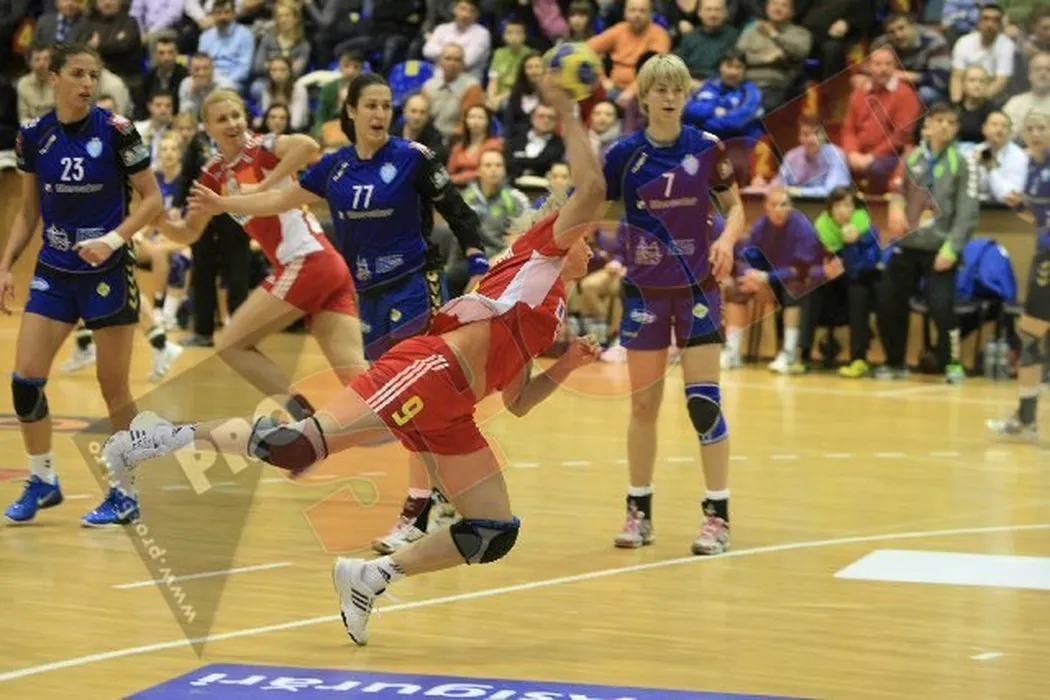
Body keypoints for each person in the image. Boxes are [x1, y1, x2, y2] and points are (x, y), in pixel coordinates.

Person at [99, 71, 604, 646]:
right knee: (297, 448)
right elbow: (589, 189)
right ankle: (155, 438)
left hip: (454, 411)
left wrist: (567, 364)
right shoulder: (538, 252)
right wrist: (569, 110)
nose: (591, 246)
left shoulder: (550, 310)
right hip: (427, 370)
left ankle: (371, 576)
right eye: (586, 236)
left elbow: (517, 401)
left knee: (493, 530)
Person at [188, 73, 491, 555]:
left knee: (415, 397)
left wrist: (477, 259)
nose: (380, 114)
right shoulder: (335, 167)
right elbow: (279, 198)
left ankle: (420, 510)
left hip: (416, 284)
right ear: (350, 111)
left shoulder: (412, 157)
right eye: (370, 105)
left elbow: (457, 210)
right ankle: (446, 491)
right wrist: (225, 202)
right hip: (367, 293)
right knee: (398, 401)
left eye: (386, 105)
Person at [0, 43, 164, 526]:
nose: (88, 84)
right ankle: (43, 479)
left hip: (106, 274)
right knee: (25, 382)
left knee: (113, 388)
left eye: (93, 75)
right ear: (54, 78)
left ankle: (125, 493)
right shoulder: (34, 135)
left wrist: (113, 241)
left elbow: (152, 200)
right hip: (54, 272)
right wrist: (6, 264)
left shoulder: (117, 130)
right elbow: (28, 211)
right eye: (77, 74)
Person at [601, 53, 744, 555]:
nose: (668, 97)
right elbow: (594, 206)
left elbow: (736, 206)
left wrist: (726, 241)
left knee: (704, 403)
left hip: (697, 288)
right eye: (659, 89)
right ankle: (638, 512)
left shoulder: (705, 147)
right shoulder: (623, 154)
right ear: (643, 97)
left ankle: (717, 516)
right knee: (643, 406)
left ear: (685, 96)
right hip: (645, 291)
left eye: (676, 89)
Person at [159, 89, 368, 420]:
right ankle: (419, 428)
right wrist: (155, 216)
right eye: (222, 119)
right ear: (207, 128)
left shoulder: (261, 147)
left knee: (230, 344)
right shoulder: (213, 175)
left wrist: (263, 186)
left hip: (308, 261)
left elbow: (307, 146)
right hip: (323, 264)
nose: (232, 124)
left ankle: (302, 418)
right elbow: (189, 233)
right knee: (359, 382)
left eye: (236, 115)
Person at [988, 110, 1050, 441]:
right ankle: (1026, 419)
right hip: (1043, 258)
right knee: (1030, 335)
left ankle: (1026, 420)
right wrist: (1019, 206)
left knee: (1032, 335)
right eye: (1031, 129)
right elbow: (1038, 217)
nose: (1036, 133)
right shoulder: (1033, 167)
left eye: (1042, 128)